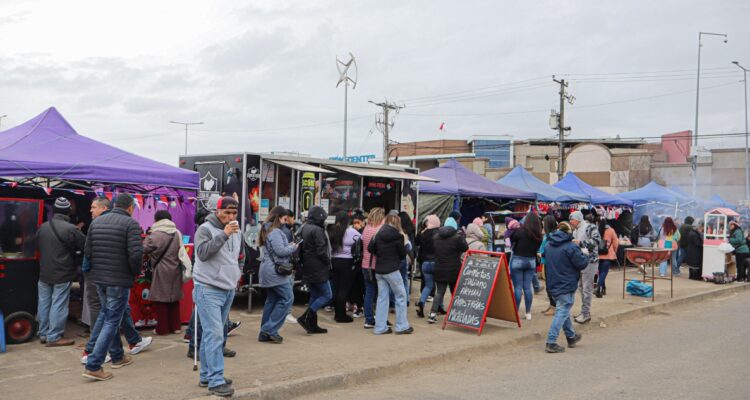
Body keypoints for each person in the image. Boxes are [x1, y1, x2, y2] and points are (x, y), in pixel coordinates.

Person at [82, 194, 144, 382]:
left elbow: (88, 252)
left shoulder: (97, 222)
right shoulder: (130, 224)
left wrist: (90, 273)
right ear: (131, 208)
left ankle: (117, 356)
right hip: (118, 280)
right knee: (111, 320)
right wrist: (134, 273)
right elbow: (136, 254)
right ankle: (94, 364)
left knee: (108, 316)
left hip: (99, 278)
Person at [191, 196, 242, 396]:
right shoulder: (204, 229)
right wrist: (224, 234)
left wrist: (237, 274)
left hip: (227, 288)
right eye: (226, 212)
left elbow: (237, 255)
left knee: (213, 334)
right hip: (207, 288)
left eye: (234, 213)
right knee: (215, 334)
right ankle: (215, 380)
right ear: (217, 211)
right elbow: (202, 253)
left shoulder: (236, 229)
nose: (230, 216)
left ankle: (207, 375)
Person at [36, 197, 85, 347]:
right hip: (62, 272)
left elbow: (38, 245)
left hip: (44, 271)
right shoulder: (71, 229)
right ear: (68, 212)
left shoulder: (42, 227)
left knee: (44, 302)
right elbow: (85, 246)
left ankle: (43, 333)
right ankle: (54, 336)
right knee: (59, 303)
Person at [143, 210, 191, 336]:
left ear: (156, 220)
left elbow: (143, 249)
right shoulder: (177, 232)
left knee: (161, 300)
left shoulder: (155, 235)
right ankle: (176, 327)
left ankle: (162, 329)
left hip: (161, 270)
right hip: (175, 269)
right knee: (174, 299)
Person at [543, 222, 588, 353]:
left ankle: (571, 336)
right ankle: (551, 342)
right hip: (566, 284)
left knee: (563, 310)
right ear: (569, 233)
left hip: (553, 283)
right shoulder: (571, 247)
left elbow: (545, 257)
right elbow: (582, 264)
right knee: (562, 310)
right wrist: (584, 253)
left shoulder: (548, 244)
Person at [258, 206, 297, 344]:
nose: (285, 221)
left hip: (268, 270)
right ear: (279, 217)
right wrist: (293, 247)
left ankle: (265, 333)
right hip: (275, 271)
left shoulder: (267, 229)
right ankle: (268, 330)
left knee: (272, 300)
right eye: (284, 218)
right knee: (287, 298)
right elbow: (280, 251)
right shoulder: (275, 232)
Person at [368, 214, 412, 334]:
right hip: (392, 270)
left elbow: (370, 249)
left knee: (382, 298)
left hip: (379, 270)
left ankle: (380, 328)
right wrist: (407, 245)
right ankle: (402, 325)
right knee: (401, 296)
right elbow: (402, 255)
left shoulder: (378, 233)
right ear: (397, 223)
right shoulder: (398, 236)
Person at [297, 206, 333, 334]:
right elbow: (321, 250)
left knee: (315, 295)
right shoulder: (318, 230)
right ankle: (306, 317)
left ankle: (312, 325)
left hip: (308, 265)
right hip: (318, 267)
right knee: (327, 295)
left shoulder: (304, 227)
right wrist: (328, 262)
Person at [428, 217, 469, 324]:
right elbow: (465, 248)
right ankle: (456, 314)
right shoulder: (457, 237)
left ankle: (432, 314)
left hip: (439, 268)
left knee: (439, 292)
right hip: (454, 269)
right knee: (455, 292)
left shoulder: (436, 237)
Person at [82, 197, 110, 330]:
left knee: (95, 304)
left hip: (95, 270)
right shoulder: (117, 223)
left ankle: (96, 336)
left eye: (94, 207)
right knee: (110, 304)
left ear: (103, 208)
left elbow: (88, 251)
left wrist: (85, 269)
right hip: (111, 271)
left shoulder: (95, 224)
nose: (90, 210)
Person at [329, 211, 361, 323]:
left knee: (337, 289)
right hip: (347, 262)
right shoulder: (352, 232)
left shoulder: (332, 231)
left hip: (334, 261)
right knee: (344, 289)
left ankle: (338, 313)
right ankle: (341, 315)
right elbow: (361, 242)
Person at [569, 211, 601, 325]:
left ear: (577, 219)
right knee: (581, 288)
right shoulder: (576, 229)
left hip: (590, 261)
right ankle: (584, 312)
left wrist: (580, 242)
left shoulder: (590, 227)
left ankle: (586, 314)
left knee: (587, 289)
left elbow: (597, 241)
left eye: (571, 220)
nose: (570, 222)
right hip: (580, 262)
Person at [510, 212, 543, 320]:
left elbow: (512, 239)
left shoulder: (520, 232)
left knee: (518, 288)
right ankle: (528, 313)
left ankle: (515, 313)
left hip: (518, 260)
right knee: (528, 288)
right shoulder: (539, 235)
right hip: (531, 261)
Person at [361, 208, 385, 329]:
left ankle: (369, 318)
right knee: (380, 293)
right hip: (376, 265)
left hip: (365, 264)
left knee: (369, 292)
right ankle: (373, 318)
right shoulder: (380, 229)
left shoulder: (366, 228)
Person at [415, 215, 439, 318]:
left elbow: (416, 242)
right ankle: (437, 309)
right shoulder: (439, 234)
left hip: (425, 262)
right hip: (436, 262)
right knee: (440, 287)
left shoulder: (422, 233)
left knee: (428, 285)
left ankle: (421, 302)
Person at [348, 211, 366, 318]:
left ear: (363, 222)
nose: (356, 225)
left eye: (358, 223)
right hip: (356, 263)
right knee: (356, 286)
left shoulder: (364, 233)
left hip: (361, 263)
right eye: (354, 223)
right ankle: (358, 305)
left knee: (362, 286)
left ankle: (360, 306)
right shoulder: (352, 232)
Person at [539, 215, 558, 316]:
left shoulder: (552, 236)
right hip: (545, 261)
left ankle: (554, 306)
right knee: (548, 285)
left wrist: (541, 254)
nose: (542, 223)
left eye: (543, 221)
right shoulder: (547, 234)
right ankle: (551, 305)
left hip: (550, 262)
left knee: (551, 286)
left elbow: (550, 250)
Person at [596, 219, 618, 298]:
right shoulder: (611, 230)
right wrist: (614, 251)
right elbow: (615, 242)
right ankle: (598, 287)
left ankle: (603, 288)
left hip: (598, 254)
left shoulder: (597, 230)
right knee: (604, 272)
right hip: (608, 254)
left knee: (601, 272)